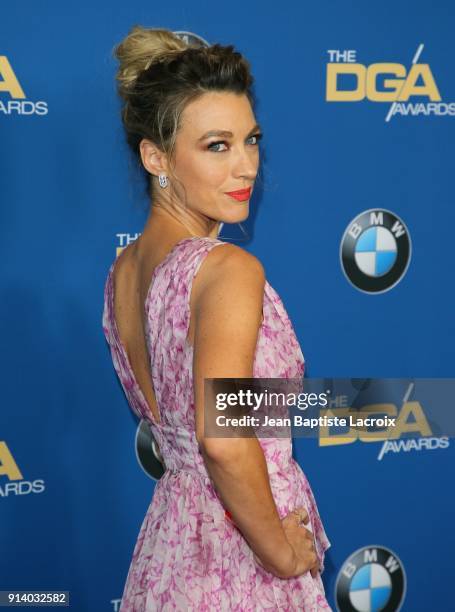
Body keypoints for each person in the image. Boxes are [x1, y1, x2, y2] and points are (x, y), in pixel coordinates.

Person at [102, 25, 331, 611]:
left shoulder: (124, 271)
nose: (247, 167)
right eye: (217, 146)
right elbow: (224, 436)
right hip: (243, 561)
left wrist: (402, 402)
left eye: (251, 140)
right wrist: (281, 553)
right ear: (156, 157)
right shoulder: (227, 269)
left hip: (170, 554)